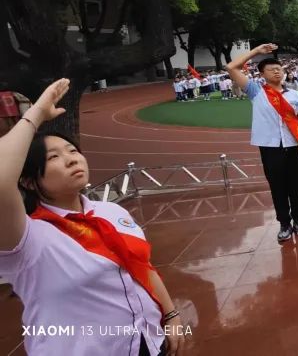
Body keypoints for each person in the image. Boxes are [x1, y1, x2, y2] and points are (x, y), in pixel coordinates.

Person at [0, 79, 188, 355]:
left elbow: (142, 266)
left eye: (73, 151)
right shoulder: (24, 237)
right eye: (53, 158)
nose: (72, 159)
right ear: (27, 181)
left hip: (146, 342)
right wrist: (36, 113)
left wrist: (171, 316)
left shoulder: (111, 212)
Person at [226, 44, 298, 243]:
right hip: (271, 149)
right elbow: (231, 68)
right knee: (278, 187)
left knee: (297, 187)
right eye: (271, 69)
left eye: (279, 68)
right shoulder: (256, 92)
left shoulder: (295, 95)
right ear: (262, 74)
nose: (276, 71)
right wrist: (256, 51)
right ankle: (284, 223)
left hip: (294, 147)